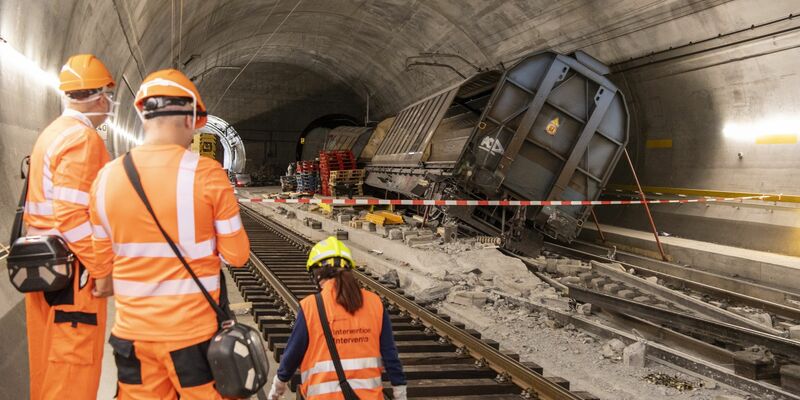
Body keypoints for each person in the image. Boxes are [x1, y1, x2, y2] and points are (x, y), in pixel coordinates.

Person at [88, 68, 250, 399]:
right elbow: (237, 255)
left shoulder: (105, 179)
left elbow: (102, 280)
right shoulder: (207, 174)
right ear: (190, 118)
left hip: (132, 338)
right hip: (193, 340)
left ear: (143, 115)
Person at [22, 53, 116, 400]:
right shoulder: (83, 139)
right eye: (108, 95)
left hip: (44, 269)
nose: (109, 103)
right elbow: (72, 216)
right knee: (72, 370)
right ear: (100, 96)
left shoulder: (51, 133)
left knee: (47, 367)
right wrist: (102, 267)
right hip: (73, 276)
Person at [267, 237, 408, 400]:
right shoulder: (374, 303)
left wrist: (277, 389)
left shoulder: (311, 306)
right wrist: (400, 394)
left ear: (316, 274)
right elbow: (390, 355)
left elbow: (292, 356)